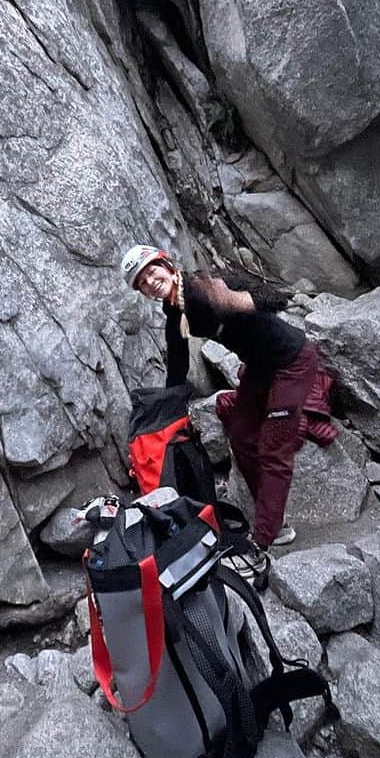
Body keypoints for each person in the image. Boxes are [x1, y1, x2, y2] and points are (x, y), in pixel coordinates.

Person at [120, 243, 336, 581]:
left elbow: (273, 298)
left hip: (292, 362)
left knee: (274, 447)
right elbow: (177, 360)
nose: (150, 281)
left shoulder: (202, 286)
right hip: (261, 366)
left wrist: (237, 302)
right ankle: (273, 523)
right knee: (240, 432)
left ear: (166, 264)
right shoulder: (175, 309)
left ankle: (262, 540)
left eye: (152, 271)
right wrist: (167, 408)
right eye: (142, 282)